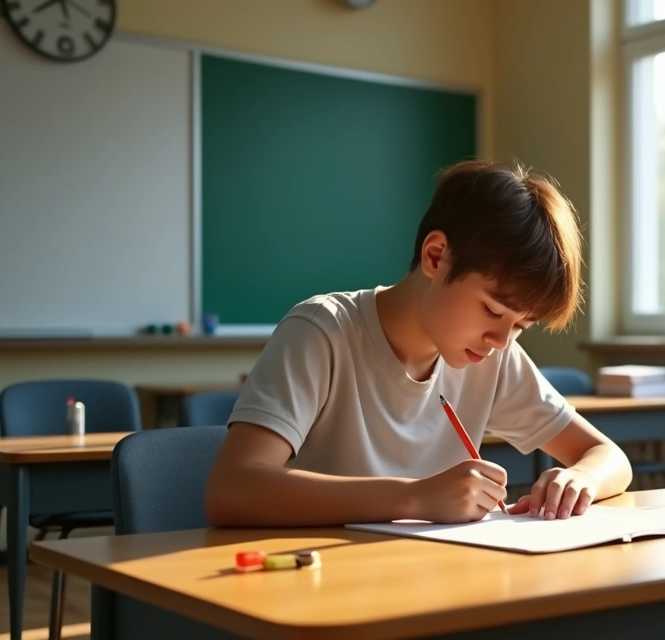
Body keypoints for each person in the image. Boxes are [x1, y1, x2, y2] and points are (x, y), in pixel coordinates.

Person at [204, 159, 632, 526]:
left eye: (522, 326)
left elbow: (608, 455)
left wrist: (582, 479)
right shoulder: (322, 333)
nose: (502, 340)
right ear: (436, 256)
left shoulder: (493, 358)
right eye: (493, 310)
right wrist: (415, 498)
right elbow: (231, 489)